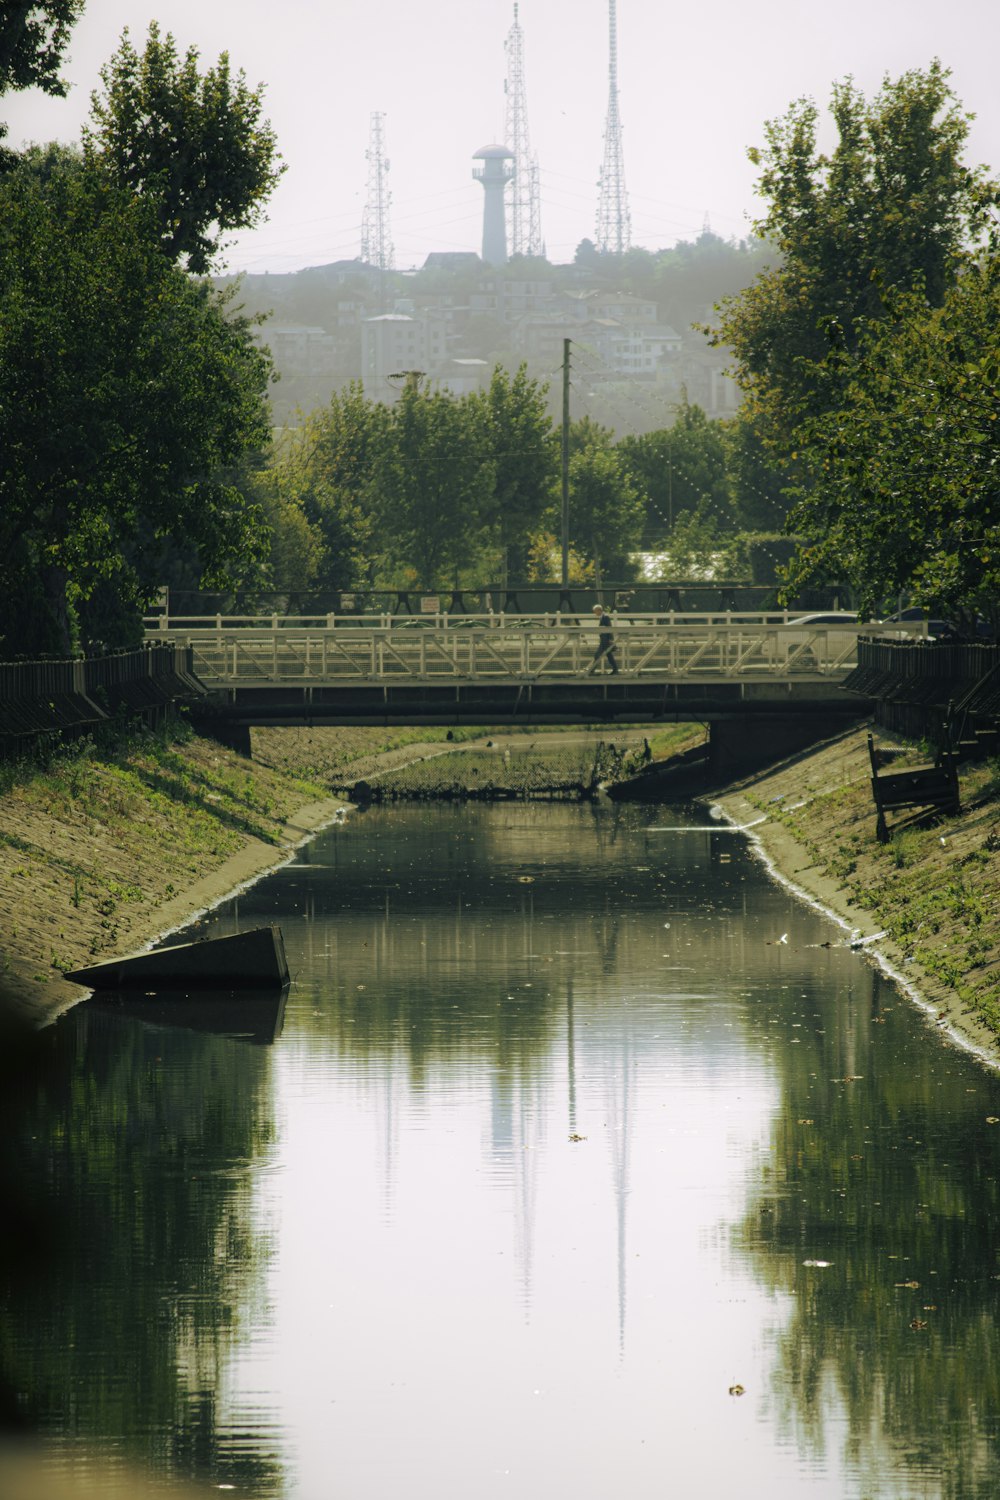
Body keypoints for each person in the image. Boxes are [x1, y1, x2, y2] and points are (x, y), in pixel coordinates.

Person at [587, 603, 619, 674]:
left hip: (606, 641)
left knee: (597, 654)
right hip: (605, 640)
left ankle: (592, 669)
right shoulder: (604, 616)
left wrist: (610, 639)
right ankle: (615, 669)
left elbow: (609, 628)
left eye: (595, 611)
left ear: (599, 610)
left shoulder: (605, 617)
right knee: (609, 655)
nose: (595, 613)